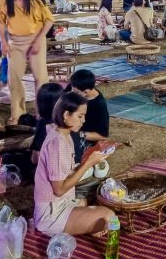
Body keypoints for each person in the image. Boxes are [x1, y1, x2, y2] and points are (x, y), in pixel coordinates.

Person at [32, 91, 115, 237]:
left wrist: (87, 162)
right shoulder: (57, 144)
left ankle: (85, 224)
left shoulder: (61, 133)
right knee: (109, 216)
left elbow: (63, 171)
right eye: (80, 116)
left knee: (86, 201)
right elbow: (59, 190)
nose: (83, 121)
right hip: (52, 212)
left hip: (62, 202)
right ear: (66, 115)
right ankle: (61, 227)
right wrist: (89, 164)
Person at [0, 0, 53, 125]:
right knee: (13, 78)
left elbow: (48, 21)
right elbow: (0, 22)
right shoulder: (4, 1)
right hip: (15, 42)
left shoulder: (36, 1)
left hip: (36, 40)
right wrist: (3, 41)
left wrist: (40, 39)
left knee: (41, 78)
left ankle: (42, 113)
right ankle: (17, 114)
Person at [68, 69, 109, 144]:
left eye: (75, 92)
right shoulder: (75, 86)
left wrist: (78, 134)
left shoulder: (99, 105)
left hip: (83, 138)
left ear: (86, 92)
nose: (71, 93)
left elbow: (102, 136)